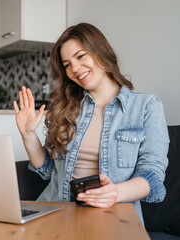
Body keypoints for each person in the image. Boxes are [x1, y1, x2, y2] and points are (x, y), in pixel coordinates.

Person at [12, 22, 169, 223]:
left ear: (101, 52)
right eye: (67, 64)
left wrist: (115, 193)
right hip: (57, 212)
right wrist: (28, 135)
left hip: (114, 217)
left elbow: (152, 175)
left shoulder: (146, 105)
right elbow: (49, 171)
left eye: (80, 56)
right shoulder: (67, 107)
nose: (75, 69)